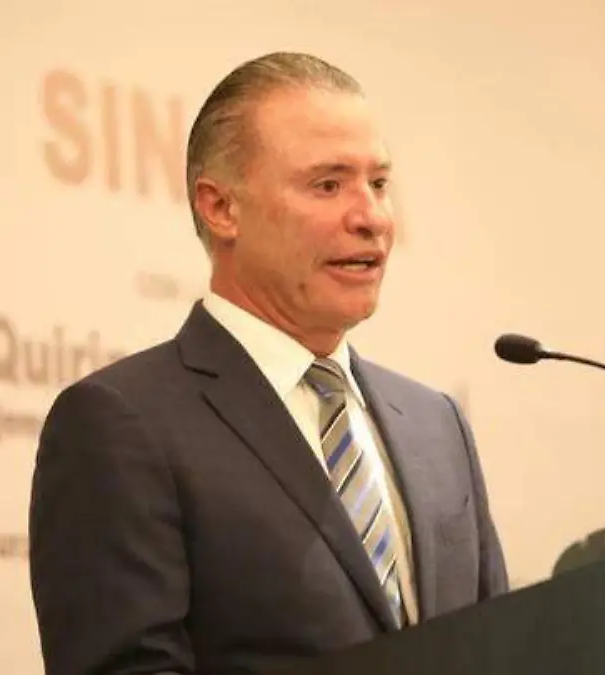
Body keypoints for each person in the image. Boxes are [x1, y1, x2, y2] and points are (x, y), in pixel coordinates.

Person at [28, 51, 510, 675]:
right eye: (328, 184)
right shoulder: (121, 424)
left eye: (379, 184)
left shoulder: (436, 425)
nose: (370, 217)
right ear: (220, 208)